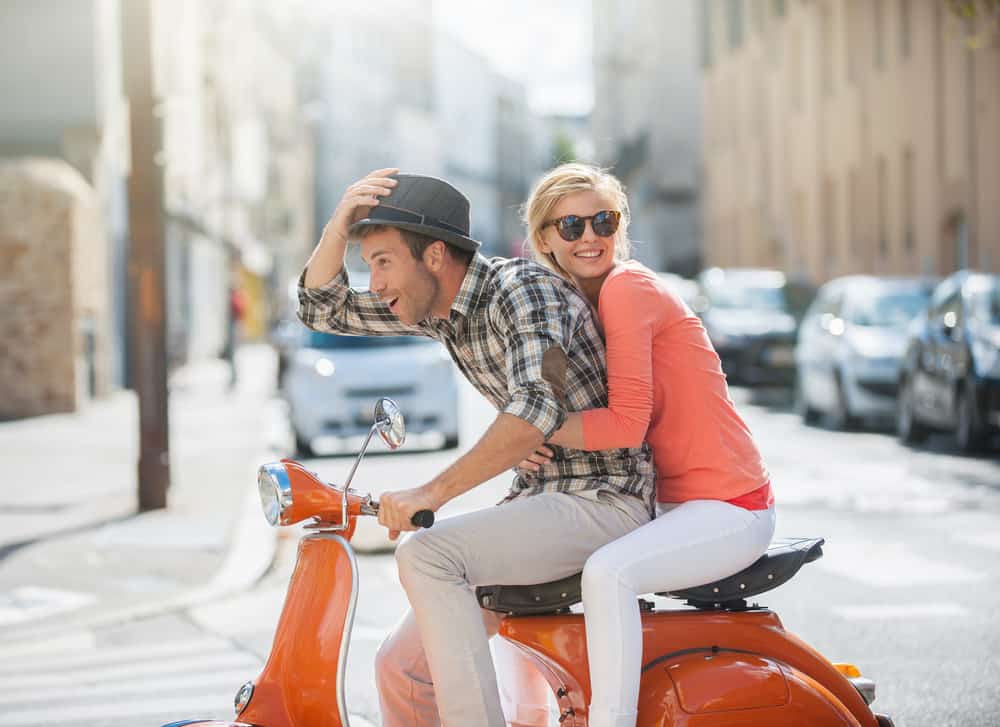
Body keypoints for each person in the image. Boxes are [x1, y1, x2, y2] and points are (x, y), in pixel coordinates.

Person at [297, 168, 655, 727]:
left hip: (604, 500)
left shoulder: (523, 290)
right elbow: (323, 308)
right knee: (400, 668)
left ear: (435, 255)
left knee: (427, 553)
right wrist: (339, 225)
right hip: (542, 504)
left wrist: (430, 492)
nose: (375, 283)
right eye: (370, 265)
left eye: (384, 262)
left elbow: (536, 409)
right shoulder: (444, 316)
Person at [512, 162, 777, 727]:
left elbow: (624, 425)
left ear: (620, 226)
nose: (590, 238)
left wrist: (531, 427)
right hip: (668, 506)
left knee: (608, 574)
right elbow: (567, 409)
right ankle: (528, 717)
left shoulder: (628, 288)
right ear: (544, 240)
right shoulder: (572, 302)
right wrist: (531, 436)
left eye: (604, 222)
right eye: (572, 226)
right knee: (512, 563)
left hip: (727, 505)